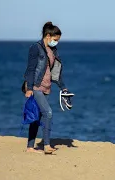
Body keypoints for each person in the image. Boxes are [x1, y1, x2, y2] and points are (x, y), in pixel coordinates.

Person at [23, 21, 72, 154]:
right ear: (48, 36)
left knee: (37, 116)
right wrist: (29, 88)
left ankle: (30, 147)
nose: (57, 42)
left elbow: (56, 72)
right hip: (36, 87)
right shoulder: (35, 48)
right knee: (48, 113)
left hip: (47, 87)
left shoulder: (53, 50)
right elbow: (31, 69)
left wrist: (63, 88)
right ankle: (47, 145)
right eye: (55, 39)